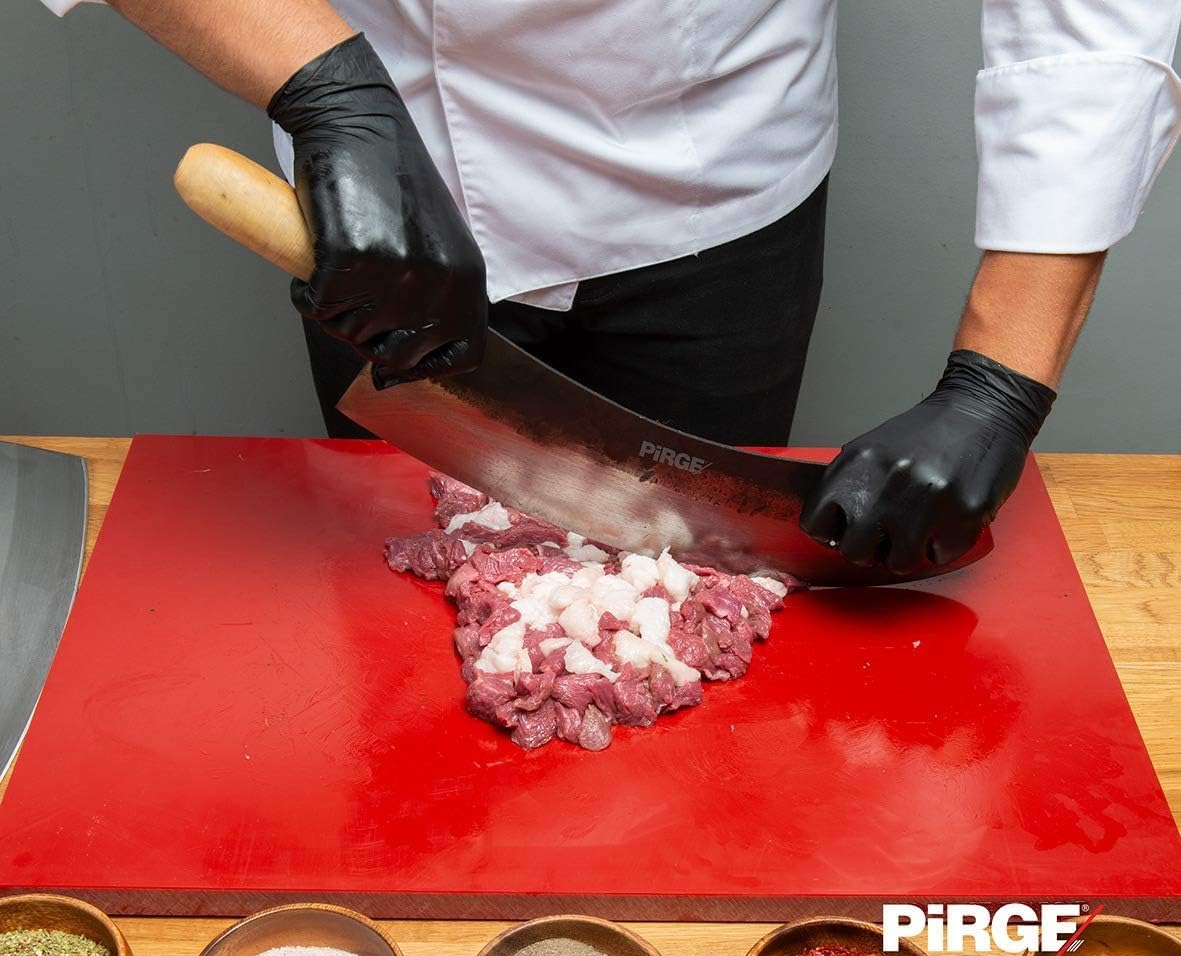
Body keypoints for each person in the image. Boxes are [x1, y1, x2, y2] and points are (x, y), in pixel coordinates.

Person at [39, 0, 1181, 573]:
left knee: (697, 610)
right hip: (373, 185)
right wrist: (322, 85)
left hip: (711, 168)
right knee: (406, 622)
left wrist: (999, 377)